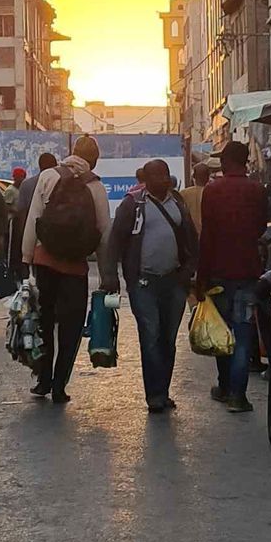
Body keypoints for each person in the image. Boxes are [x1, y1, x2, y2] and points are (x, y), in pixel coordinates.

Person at [100, 158, 197, 415]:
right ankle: (154, 395)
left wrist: (188, 271)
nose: (162, 180)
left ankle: (163, 391)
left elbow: (191, 240)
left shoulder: (178, 203)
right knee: (150, 336)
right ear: (146, 179)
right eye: (156, 175)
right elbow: (115, 241)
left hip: (174, 281)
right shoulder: (133, 204)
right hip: (143, 283)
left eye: (165, 175)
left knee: (168, 339)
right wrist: (110, 275)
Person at [22, 136, 109, 403]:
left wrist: (27, 258)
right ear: (94, 160)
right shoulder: (95, 186)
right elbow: (103, 233)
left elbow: (34, 219)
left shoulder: (48, 176)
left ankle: (43, 380)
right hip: (75, 267)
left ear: (72, 153)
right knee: (71, 328)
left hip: (44, 262)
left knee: (44, 321)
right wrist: (107, 275)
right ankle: (60, 385)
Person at [193, 138, 269, 413]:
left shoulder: (213, 190)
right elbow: (261, 227)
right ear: (246, 161)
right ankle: (238, 395)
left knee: (221, 331)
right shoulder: (257, 190)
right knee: (243, 333)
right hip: (247, 272)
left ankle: (225, 386)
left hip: (218, 273)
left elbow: (207, 237)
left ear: (225, 161)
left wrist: (201, 277)